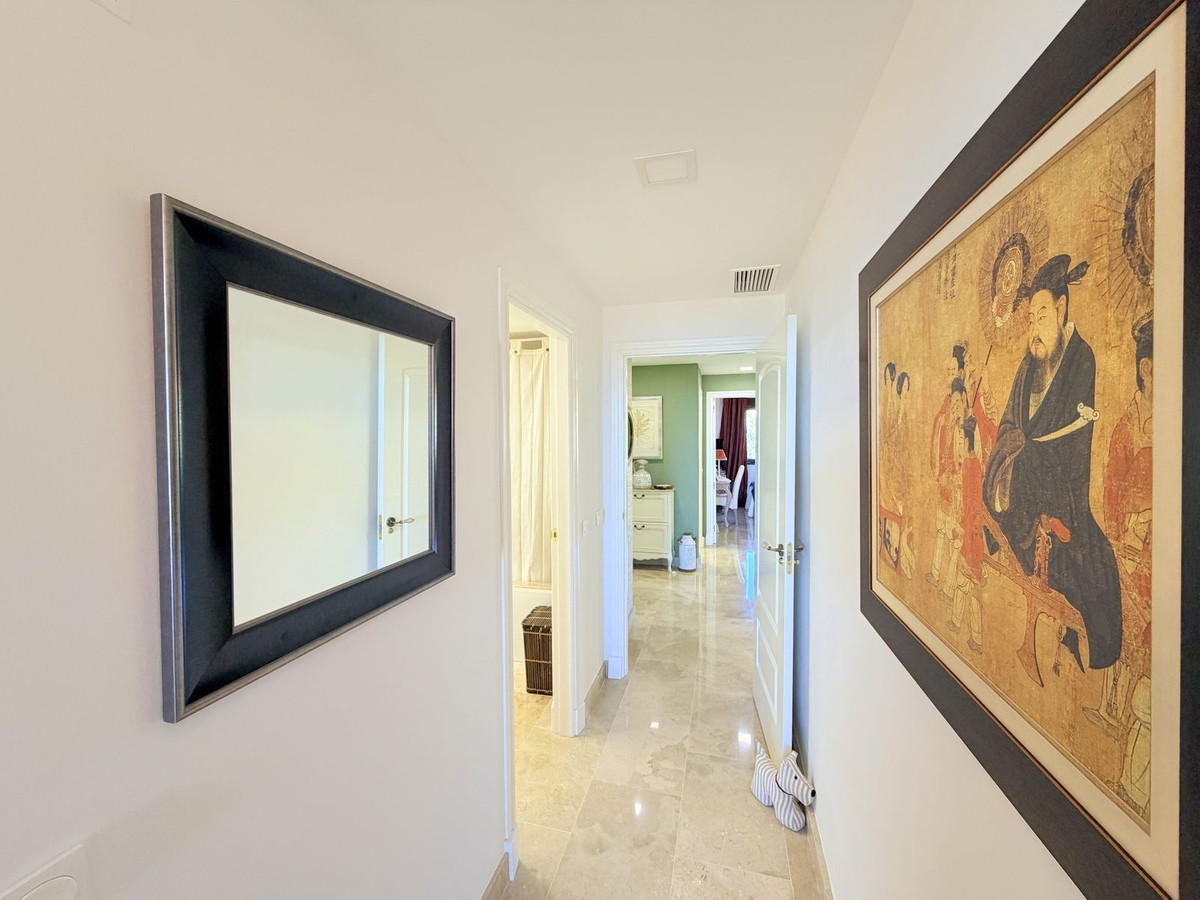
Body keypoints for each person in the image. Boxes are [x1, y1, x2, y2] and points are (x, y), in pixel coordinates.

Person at [983, 254, 1122, 670]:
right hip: (1023, 481)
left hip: (1063, 488)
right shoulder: (1029, 364)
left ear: (1061, 310)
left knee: (1093, 566)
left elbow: (1074, 444)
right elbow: (1009, 423)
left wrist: (1029, 455)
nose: (1034, 327)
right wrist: (1013, 450)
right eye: (1029, 318)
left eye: (1041, 315)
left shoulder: (1081, 358)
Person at [928, 378, 967, 597]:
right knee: (941, 530)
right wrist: (939, 475)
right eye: (953, 402)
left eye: (959, 402)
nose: (955, 406)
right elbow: (937, 450)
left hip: (959, 494)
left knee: (955, 540)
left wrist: (955, 480)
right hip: (945, 488)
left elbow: (967, 462)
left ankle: (950, 588)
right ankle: (935, 573)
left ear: (964, 400)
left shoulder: (967, 429)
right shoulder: (945, 423)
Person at [950, 416, 985, 653]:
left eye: (961, 439)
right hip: (970, 529)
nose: (958, 444)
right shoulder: (970, 465)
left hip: (973, 534)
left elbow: (973, 503)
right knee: (965, 581)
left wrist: (964, 527)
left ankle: (977, 638)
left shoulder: (972, 466)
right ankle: (957, 621)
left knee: (970, 583)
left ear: (967, 441)